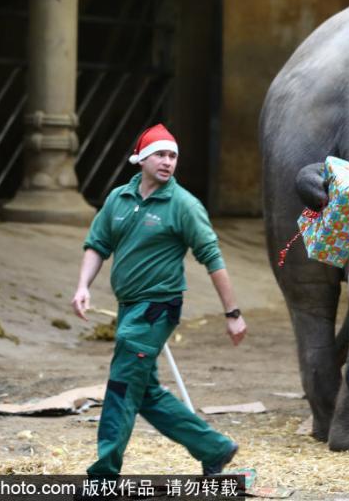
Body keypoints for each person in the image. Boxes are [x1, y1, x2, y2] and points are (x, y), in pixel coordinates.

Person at [70, 123, 247, 481]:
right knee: (145, 391)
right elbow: (97, 244)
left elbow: (213, 259)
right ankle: (214, 448)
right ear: (141, 159)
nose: (168, 162)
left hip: (156, 309)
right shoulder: (119, 198)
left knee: (121, 385)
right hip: (128, 306)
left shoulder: (183, 205)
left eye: (173, 156)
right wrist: (82, 286)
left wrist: (233, 313)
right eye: (161, 154)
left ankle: (103, 475)